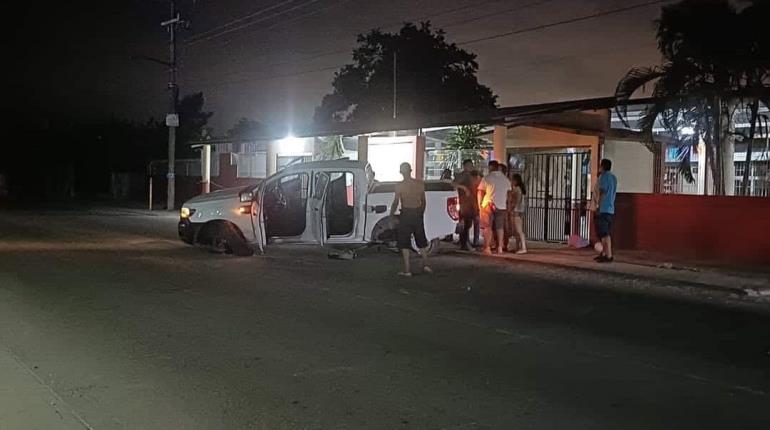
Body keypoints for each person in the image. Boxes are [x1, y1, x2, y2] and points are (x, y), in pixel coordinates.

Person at [389, 162, 432, 276]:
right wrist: (420, 213)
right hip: (417, 213)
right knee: (421, 240)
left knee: (404, 242)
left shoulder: (399, 186)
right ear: (411, 170)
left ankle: (407, 270)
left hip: (406, 214)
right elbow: (423, 201)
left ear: (401, 172)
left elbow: (396, 202)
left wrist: (391, 215)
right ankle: (426, 264)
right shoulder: (419, 184)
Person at [477, 160, 511, 255]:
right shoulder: (506, 179)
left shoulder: (487, 178)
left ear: (490, 167)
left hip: (488, 204)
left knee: (488, 227)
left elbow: (480, 191)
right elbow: (508, 194)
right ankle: (500, 247)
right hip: (502, 205)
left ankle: (487, 247)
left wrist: (480, 205)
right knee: (500, 227)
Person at [595, 159, 617, 263]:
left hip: (604, 208)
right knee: (605, 232)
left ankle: (608, 255)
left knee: (604, 234)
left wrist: (598, 205)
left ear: (602, 166)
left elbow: (602, 192)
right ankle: (604, 253)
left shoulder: (604, 176)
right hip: (610, 208)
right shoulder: (613, 177)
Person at [453, 159, 479, 251]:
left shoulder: (472, 175)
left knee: (467, 224)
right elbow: (454, 184)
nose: (471, 167)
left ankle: (464, 243)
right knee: (466, 224)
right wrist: (464, 188)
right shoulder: (463, 175)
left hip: (470, 203)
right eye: (469, 165)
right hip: (464, 204)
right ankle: (465, 244)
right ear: (465, 166)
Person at [510, 173, 528, 254]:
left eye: (512, 180)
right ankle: (518, 247)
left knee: (519, 230)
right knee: (518, 230)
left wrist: (512, 208)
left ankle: (523, 247)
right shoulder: (520, 189)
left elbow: (516, 200)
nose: (511, 181)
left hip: (517, 210)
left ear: (515, 181)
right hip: (520, 210)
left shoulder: (517, 189)